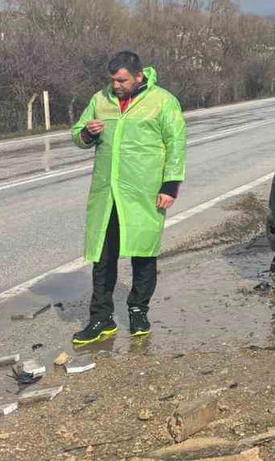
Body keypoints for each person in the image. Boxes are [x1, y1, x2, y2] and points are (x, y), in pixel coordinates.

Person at [70, 51, 187, 345]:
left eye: (122, 80)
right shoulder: (101, 99)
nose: (116, 85)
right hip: (107, 192)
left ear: (138, 76)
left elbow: (176, 143)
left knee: (144, 253)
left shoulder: (162, 101)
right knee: (102, 256)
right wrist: (87, 133)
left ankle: (138, 310)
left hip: (145, 191)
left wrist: (170, 186)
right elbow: (76, 134)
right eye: (112, 80)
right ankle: (101, 318)